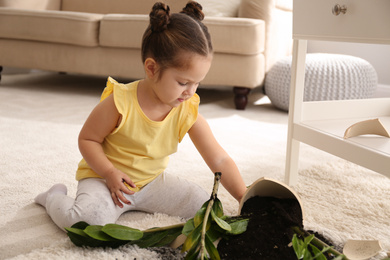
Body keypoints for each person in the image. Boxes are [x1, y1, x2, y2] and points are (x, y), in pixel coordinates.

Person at [34, 1, 247, 231]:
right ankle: (53, 197)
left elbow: (219, 160)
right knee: (87, 222)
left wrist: (243, 196)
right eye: (183, 82)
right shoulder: (119, 102)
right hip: (104, 179)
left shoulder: (187, 110)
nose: (190, 91)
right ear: (152, 69)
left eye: (197, 83)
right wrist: (109, 172)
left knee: (205, 207)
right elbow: (87, 139)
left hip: (150, 183)